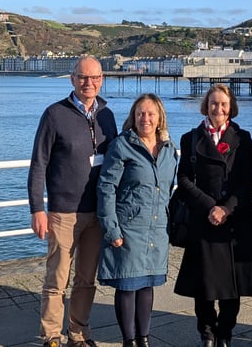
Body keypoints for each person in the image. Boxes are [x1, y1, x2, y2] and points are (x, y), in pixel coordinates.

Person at [27, 55, 118, 347]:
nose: (88, 83)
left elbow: (117, 162)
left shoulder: (107, 115)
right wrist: (37, 209)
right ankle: (52, 335)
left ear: (102, 79)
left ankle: (79, 333)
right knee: (57, 279)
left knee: (86, 279)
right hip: (62, 212)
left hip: (97, 212)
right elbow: (38, 164)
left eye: (94, 78)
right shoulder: (54, 114)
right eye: (82, 77)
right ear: (72, 79)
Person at [174, 84, 252, 347]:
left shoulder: (243, 137)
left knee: (232, 284)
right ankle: (206, 332)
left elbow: (250, 180)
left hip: (236, 219)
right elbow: (183, 179)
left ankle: (225, 331)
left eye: (224, 104)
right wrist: (210, 207)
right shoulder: (191, 138)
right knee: (203, 286)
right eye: (214, 103)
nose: (219, 108)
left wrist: (226, 208)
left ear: (231, 107)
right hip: (204, 220)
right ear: (206, 105)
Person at [96, 94, 178, 347]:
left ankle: (144, 338)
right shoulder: (122, 146)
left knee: (147, 285)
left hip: (157, 228)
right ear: (133, 117)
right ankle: (129, 340)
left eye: (151, 113)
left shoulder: (168, 149)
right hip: (129, 227)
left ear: (159, 117)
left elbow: (169, 188)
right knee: (128, 284)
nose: (146, 118)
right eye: (141, 113)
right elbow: (106, 187)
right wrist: (112, 229)